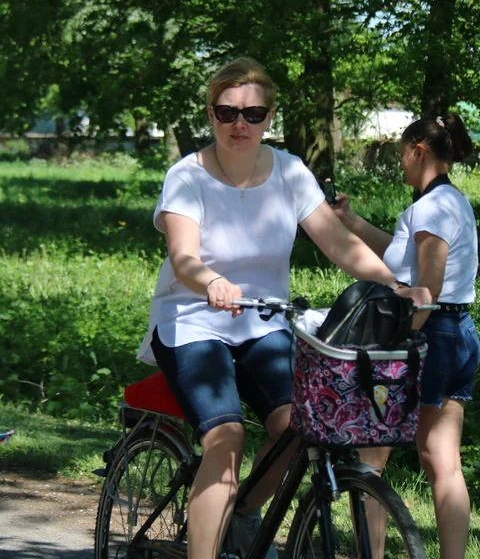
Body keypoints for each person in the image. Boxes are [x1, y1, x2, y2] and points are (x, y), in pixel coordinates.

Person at [137, 57, 431, 559]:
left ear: (269, 118)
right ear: (210, 114)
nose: (239, 124)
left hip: (264, 322)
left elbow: (340, 244)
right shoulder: (187, 176)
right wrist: (211, 280)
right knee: (227, 439)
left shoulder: (290, 172)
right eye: (227, 112)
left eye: (253, 114)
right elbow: (183, 258)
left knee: (302, 427)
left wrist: (395, 285)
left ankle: (243, 514)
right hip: (192, 322)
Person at [332, 113, 480, 559]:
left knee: (370, 458)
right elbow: (402, 258)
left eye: (401, 155)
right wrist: (350, 221)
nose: (400, 165)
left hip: (427, 335)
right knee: (442, 460)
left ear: (419, 150)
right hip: (457, 334)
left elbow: (425, 290)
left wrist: (391, 350)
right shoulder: (448, 201)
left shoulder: (432, 207)